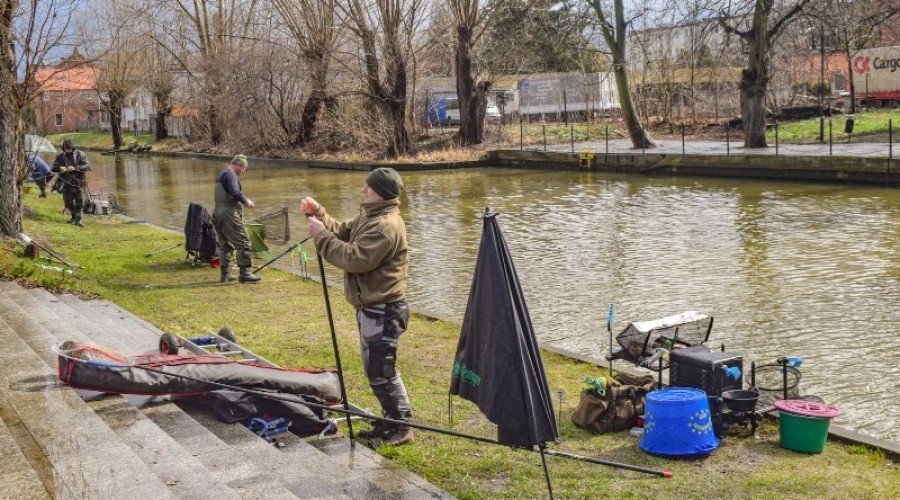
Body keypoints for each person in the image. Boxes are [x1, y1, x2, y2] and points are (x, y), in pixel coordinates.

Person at [300, 167, 413, 446]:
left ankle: (402, 427)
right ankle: (390, 420)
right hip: (370, 308)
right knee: (374, 369)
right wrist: (320, 213)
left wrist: (320, 236)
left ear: (383, 194)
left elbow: (354, 258)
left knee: (382, 370)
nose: (363, 190)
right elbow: (343, 231)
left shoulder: (386, 225)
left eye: (369, 188)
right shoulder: (370, 215)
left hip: (384, 309)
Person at [212, 154, 260, 283]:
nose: (243, 171)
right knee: (243, 242)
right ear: (238, 165)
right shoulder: (231, 175)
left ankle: (225, 274)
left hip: (217, 213)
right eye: (243, 168)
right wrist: (246, 201)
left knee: (224, 244)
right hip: (228, 213)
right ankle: (245, 273)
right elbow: (234, 192)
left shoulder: (222, 174)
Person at [51, 139, 91, 226]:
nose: (68, 150)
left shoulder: (80, 154)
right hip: (65, 182)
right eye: (66, 149)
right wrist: (62, 168)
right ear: (63, 148)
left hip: (79, 181)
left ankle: (78, 220)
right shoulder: (60, 156)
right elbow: (54, 167)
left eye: (70, 149)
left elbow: (88, 166)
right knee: (68, 202)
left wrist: (75, 167)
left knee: (79, 201)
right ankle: (73, 217)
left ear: (73, 148)